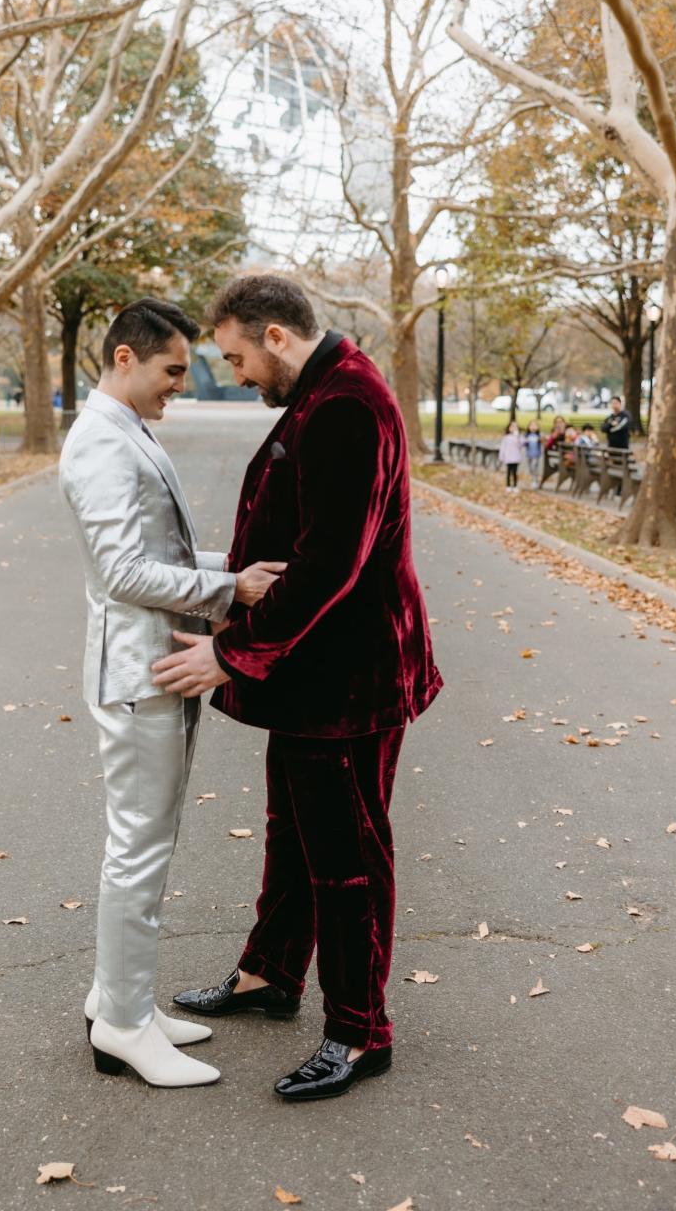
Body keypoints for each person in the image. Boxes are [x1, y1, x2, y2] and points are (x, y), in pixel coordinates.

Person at [151, 275, 443, 1104]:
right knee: (296, 831)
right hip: (317, 674)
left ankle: (359, 1029)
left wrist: (232, 654)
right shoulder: (324, 394)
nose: (235, 372)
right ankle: (270, 974)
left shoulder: (347, 404)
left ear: (276, 336)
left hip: (352, 677)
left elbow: (329, 566)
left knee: (346, 857)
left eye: (237, 355)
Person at [59, 297, 285, 1088]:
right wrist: (231, 589)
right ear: (125, 358)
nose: (180, 386)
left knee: (145, 846)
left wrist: (233, 569)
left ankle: (121, 1001)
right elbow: (123, 572)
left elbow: (164, 550)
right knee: (137, 850)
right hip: (138, 676)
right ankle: (122, 1026)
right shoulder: (99, 444)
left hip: (154, 667)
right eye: (171, 370)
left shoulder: (123, 432)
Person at [498, 419, 523, 491]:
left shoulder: (518, 437)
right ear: (509, 428)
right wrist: (501, 456)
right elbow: (503, 447)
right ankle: (508, 485)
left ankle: (515, 486)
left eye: (515, 427)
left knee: (515, 472)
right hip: (508, 458)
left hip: (516, 458)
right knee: (508, 472)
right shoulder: (506, 438)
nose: (514, 428)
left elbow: (520, 445)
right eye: (512, 426)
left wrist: (517, 437)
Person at [524, 418, 543, 488]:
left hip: (536, 454)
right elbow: (524, 444)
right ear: (529, 427)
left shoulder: (539, 435)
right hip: (529, 454)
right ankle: (533, 479)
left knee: (534, 467)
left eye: (535, 425)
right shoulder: (527, 435)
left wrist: (541, 439)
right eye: (531, 425)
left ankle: (535, 481)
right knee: (530, 468)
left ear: (537, 427)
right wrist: (525, 441)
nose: (533, 427)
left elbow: (543, 441)